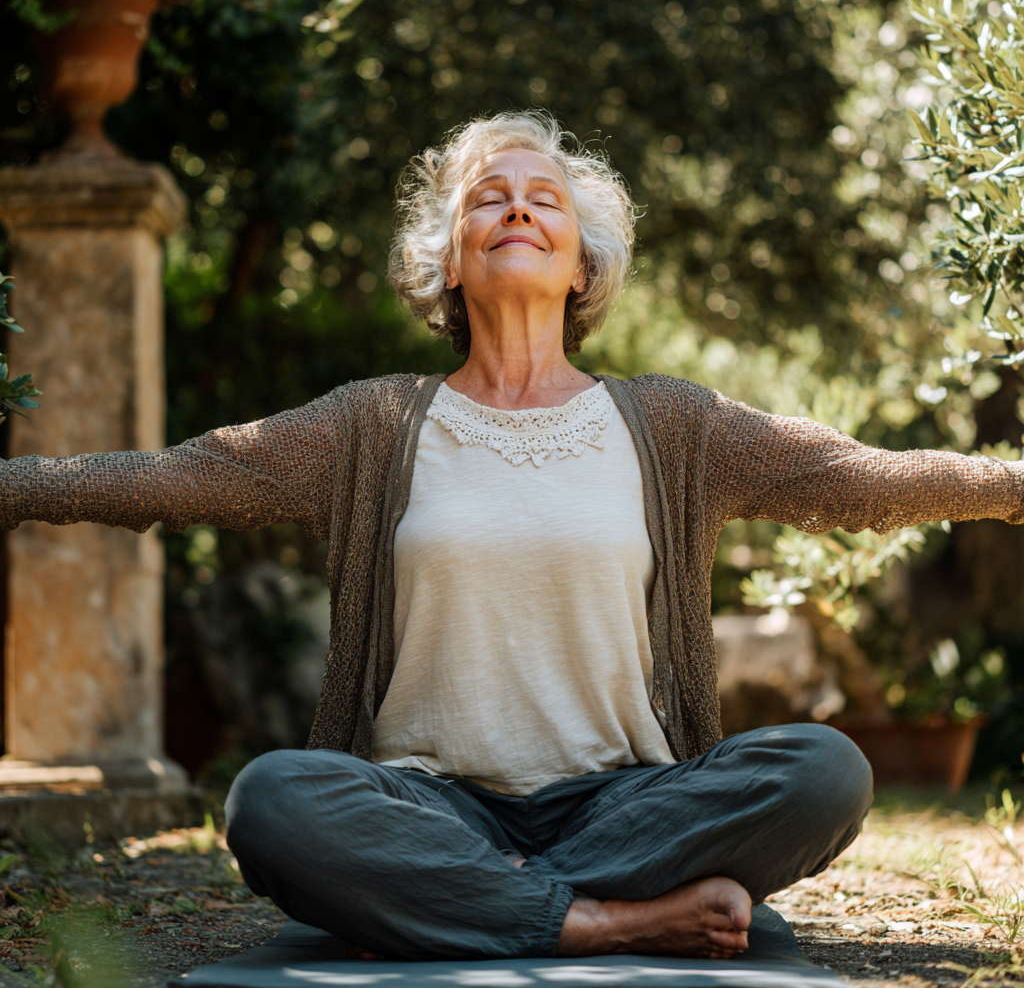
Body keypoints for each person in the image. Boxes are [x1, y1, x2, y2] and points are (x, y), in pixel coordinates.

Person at [4, 111, 1023, 962]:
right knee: (273, 800)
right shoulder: (370, 427)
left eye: (545, 198)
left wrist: (1010, 487)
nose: (519, 206)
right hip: (429, 804)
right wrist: (17, 486)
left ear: (584, 264)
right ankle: (613, 923)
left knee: (826, 770)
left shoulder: (671, 426)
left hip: (630, 807)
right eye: (488, 198)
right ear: (448, 258)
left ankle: (478, 908)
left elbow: (856, 477)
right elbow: (172, 475)